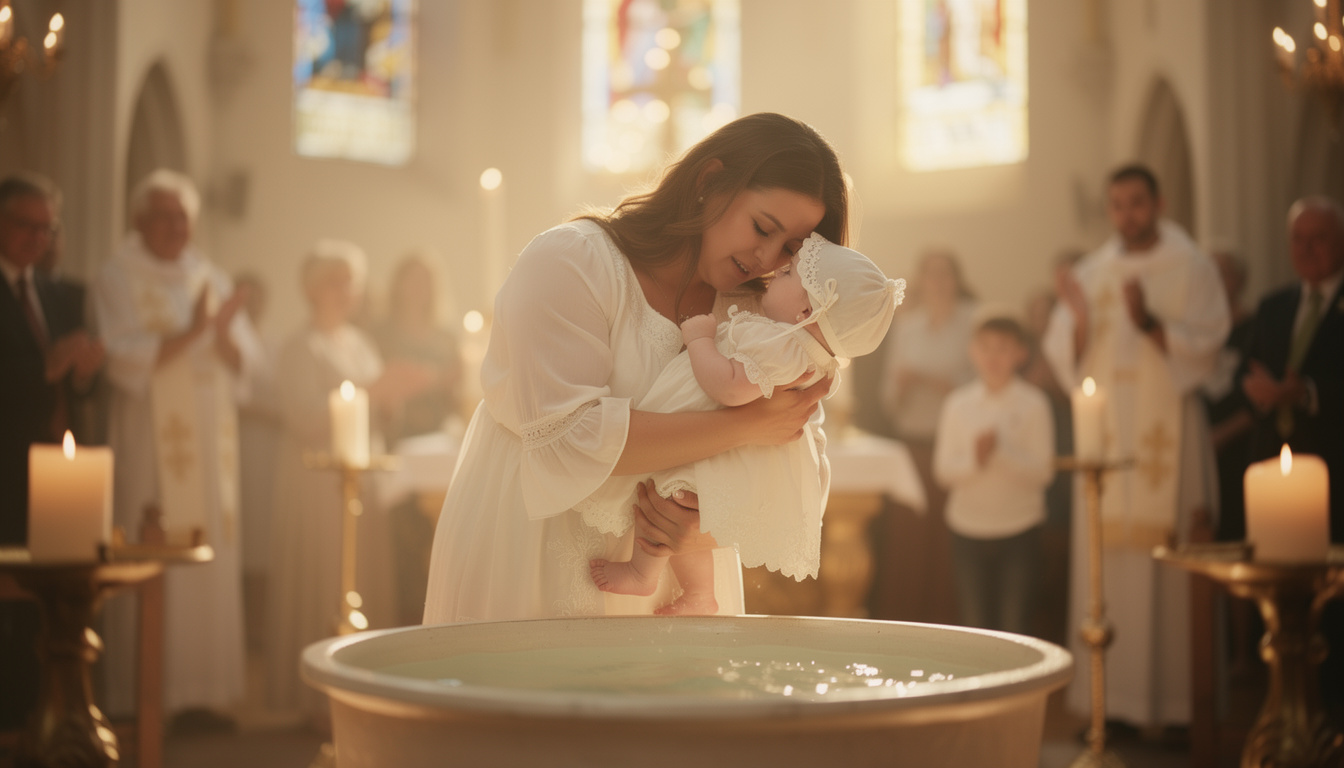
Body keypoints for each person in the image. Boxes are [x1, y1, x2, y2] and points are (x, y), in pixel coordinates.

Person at [421, 112, 844, 625]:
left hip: (678, 589)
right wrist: (747, 424)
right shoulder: (573, 261)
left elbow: (804, 481)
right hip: (537, 547)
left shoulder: (764, 313)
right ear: (710, 181)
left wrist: (700, 530)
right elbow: (568, 438)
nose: (765, 258)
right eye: (762, 228)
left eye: (790, 250)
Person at [586, 234, 903, 615]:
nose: (775, 273)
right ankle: (699, 594)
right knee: (680, 503)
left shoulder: (782, 344)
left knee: (671, 498)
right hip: (735, 449)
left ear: (806, 313)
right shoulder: (804, 353)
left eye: (787, 274)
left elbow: (729, 388)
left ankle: (644, 573)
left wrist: (700, 340)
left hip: (721, 444)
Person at [1042, 163, 1229, 733]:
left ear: (1159, 202)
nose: (1127, 214)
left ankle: (1176, 711)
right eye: (1118, 204)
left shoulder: (1191, 266)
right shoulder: (1093, 272)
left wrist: (1150, 323)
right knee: (1110, 569)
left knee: (1167, 569)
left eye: (1137, 202)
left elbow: (1209, 347)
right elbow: (1065, 360)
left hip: (1167, 438)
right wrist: (1077, 320)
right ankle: (1113, 704)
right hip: (1107, 445)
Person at [93, 168, 264, 725]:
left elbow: (249, 367)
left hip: (212, 448)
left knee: (207, 556)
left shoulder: (208, 275)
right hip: (151, 445)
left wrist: (224, 335)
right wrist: (196, 332)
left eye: (183, 216)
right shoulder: (117, 275)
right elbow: (120, 358)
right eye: (164, 216)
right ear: (139, 220)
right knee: (152, 544)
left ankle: (201, 695)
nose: (175, 226)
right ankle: (143, 694)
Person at [266, 239, 434, 718]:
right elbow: (302, 417)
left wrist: (392, 396)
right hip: (315, 482)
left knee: (362, 575)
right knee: (320, 576)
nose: (350, 292)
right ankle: (313, 700)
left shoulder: (359, 343)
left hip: (361, 476)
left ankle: (359, 692)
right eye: (339, 282)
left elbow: (377, 416)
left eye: (353, 283)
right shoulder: (300, 346)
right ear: (314, 289)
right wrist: (372, 390)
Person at [0, 172, 104, 733]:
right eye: (26, 226)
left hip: (54, 475)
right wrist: (44, 367)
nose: (39, 238)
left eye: (48, 228)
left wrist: (85, 374)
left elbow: (75, 386)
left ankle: (47, 716)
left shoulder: (57, 292)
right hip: (5, 470)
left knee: (52, 603)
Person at [1239, 196, 1344, 711]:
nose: (1307, 249)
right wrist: (1261, 393)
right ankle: (1288, 707)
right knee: (1281, 601)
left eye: (1319, 237)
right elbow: (1254, 371)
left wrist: (1305, 395)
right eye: (1298, 240)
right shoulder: (1275, 304)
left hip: (1334, 471)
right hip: (1277, 470)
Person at [869, 247, 977, 625]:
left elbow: (978, 386)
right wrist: (901, 387)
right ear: (921, 281)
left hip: (956, 447)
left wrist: (929, 381)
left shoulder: (972, 323)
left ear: (956, 280)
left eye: (945, 274)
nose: (937, 282)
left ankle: (951, 622)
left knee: (948, 544)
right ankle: (905, 620)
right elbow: (888, 399)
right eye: (930, 274)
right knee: (910, 543)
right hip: (913, 444)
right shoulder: (907, 327)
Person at [933, 310, 1054, 636]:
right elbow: (944, 471)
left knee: (1017, 627)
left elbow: (1043, 473)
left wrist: (999, 454)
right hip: (968, 528)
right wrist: (976, 460)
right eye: (985, 347)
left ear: (1020, 353)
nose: (992, 357)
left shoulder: (1034, 404)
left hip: (1020, 528)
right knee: (975, 628)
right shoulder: (958, 404)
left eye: (1002, 348)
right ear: (972, 351)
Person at [369, 249, 465, 443]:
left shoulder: (447, 338)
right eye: (413, 279)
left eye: (427, 280)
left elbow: (457, 393)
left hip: (439, 435)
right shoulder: (380, 335)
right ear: (399, 283)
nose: (420, 287)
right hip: (395, 434)